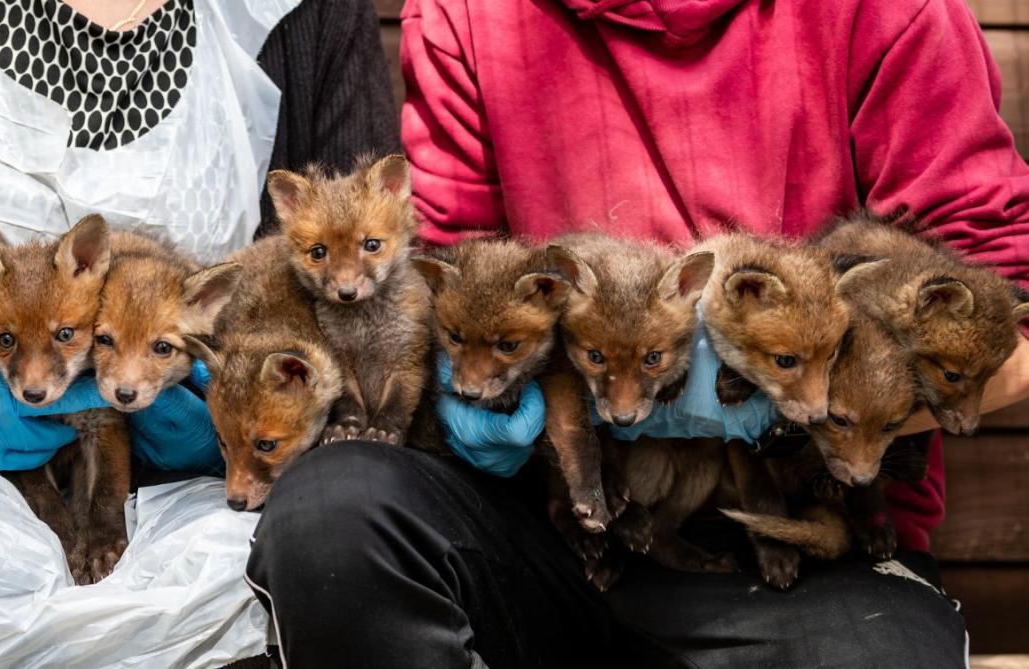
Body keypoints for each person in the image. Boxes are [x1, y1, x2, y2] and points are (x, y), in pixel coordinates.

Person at [243, 0, 1029, 666]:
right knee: (331, 513)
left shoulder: (884, 11)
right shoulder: (474, 13)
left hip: (806, 547)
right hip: (549, 521)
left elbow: (1007, 340)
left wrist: (786, 416)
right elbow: (447, 273)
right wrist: (471, 399)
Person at [0, 0, 396, 664]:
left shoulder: (308, 15)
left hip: (211, 489)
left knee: (308, 579)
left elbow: (357, 286)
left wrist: (254, 408)